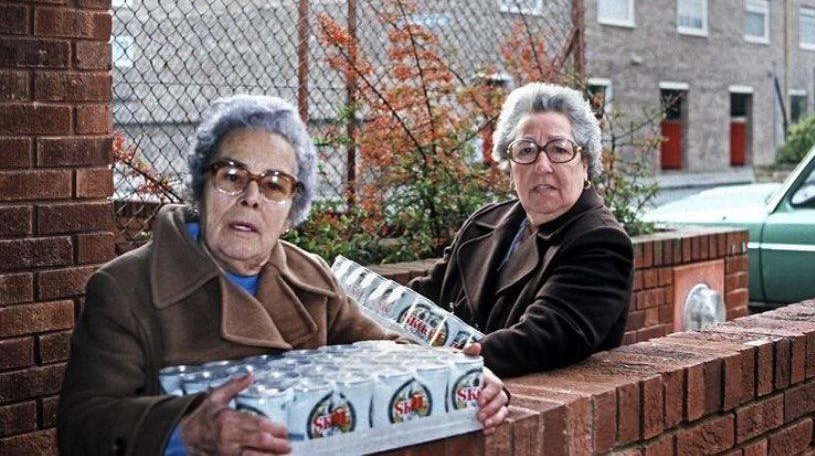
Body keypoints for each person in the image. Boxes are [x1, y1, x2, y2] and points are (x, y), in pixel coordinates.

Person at [58, 95, 508, 456]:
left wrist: (458, 380)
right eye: (232, 175)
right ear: (201, 186)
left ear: (292, 210)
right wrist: (186, 431)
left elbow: (383, 352)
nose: (251, 196)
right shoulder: (124, 289)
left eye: (274, 184)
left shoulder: (310, 277)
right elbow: (83, 427)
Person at [409, 82, 635, 377]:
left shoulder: (600, 241)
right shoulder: (483, 224)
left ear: (586, 162)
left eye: (558, 149)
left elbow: (543, 337)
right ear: (509, 164)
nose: (542, 165)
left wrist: (446, 362)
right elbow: (424, 298)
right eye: (526, 150)